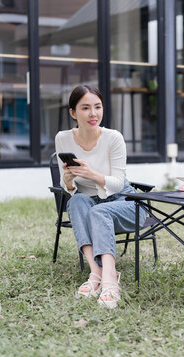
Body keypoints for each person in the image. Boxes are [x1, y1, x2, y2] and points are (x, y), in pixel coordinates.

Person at [55, 85, 145, 309]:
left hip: (124, 202)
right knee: (76, 201)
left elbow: (118, 182)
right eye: (85, 108)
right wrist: (68, 179)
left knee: (98, 210)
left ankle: (110, 281)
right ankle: (97, 273)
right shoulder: (63, 139)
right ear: (73, 113)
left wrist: (91, 174)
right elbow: (67, 187)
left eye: (97, 107)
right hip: (89, 201)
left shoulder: (113, 138)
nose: (93, 114)